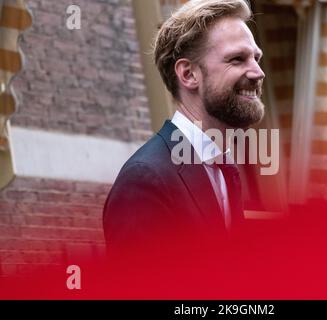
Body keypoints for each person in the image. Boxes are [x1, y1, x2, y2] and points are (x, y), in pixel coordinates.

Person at [103, 0, 265, 258]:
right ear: (188, 74)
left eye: (256, 58)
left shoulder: (225, 169)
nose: (258, 73)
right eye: (237, 59)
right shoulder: (144, 182)